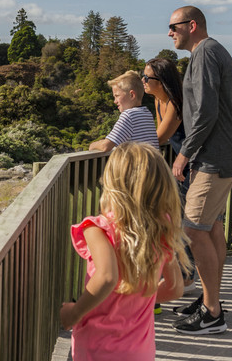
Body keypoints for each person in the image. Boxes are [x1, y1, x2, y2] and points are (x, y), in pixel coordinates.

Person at [59, 143, 191, 360]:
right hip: (140, 351)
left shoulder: (98, 228)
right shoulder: (160, 229)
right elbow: (175, 288)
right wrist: (137, 299)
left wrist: (74, 312)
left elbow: (107, 277)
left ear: (113, 182)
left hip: (97, 348)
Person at [166, 5, 232, 335]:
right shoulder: (210, 53)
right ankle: (210, 300)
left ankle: (212, 313)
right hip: (222, 155)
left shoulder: (205, 53)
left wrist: (184, 154)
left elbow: (206, 112)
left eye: (174, 26)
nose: (169, 32)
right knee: (211, 229)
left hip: (213, 158)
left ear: (192, 25)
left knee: (194, 230)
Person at [144, 57, 197, 286]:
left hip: (192, 165)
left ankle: (187, 277)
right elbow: (158, 138)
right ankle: (181, 274)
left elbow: (159, 137)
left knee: (185, 221)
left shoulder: (176, 103)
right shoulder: (159, 101)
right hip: (179, 164)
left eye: (147, 77)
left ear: (161, 81)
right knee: (174, 219)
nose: (143, 81)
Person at [89, 71, 158, 152]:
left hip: (139, 160)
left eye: (117, 96)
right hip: (153, 160)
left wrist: (92, 145)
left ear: (132, 95)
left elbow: (106, 146)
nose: (115, 101)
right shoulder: (147, 113)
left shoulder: (129, 115)